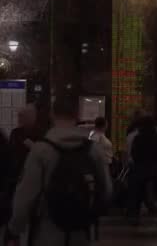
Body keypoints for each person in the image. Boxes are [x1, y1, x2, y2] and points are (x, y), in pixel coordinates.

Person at [4, 95, 112, 246]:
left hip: (47, 233)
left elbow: (25, 196)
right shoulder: (93, 150)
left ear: (52, 115)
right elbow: (106, 191)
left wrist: (14, 229)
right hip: (81, 233)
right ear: (77, 115)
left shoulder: (41, 150)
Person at [127, 115, 157, 228]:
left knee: (137, 192)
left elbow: (134, 153)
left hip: (140, 168)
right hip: (154, 168)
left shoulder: (138, 138)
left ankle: (135, 216)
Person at [8, 105, 42, 189]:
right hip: (15, 174)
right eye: (19, 116)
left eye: (21, 116)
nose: (19, 119)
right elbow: (10, 152)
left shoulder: (39, 133)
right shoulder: (15, 133)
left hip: (32, 174)